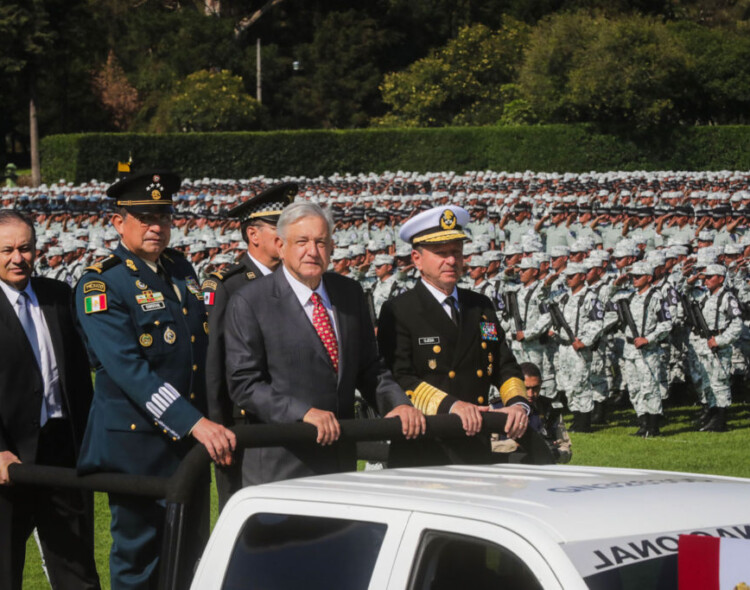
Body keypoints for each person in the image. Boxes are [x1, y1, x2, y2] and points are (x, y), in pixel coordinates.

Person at [74, 170, 236, 590]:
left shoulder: (179, 268)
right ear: (118, 222)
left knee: (189, 554)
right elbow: (129, 370)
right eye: (144, 217)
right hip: (138, 445)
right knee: (140, 560)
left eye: (162, 217)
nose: (155, 227)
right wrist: (193, 421)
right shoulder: (102, 281)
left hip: (189, 443)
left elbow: (196, 354)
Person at [225, 201, 425, 485]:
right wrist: (302, 414)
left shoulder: (349, 293)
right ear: (281, 246)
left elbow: (370, 368)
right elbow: (245, 385)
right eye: (302, 241)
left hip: (340, 463)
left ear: (332, 247)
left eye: (321, 242)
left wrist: (397, 403)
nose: (312, 251)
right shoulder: (250, 301)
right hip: (281, 465)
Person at [377, 205, 529, 466]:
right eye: (441, 253)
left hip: (475, 441)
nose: (451, 261)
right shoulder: (399, 309)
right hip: (424, 444)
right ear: (417, 259)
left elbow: (503, 364)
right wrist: (452, 406)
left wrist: (517, 405)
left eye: (456, 253)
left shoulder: (479, 306)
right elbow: (399, 377)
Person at [0, 209, 100, 590]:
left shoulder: (59, 296)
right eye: (7, 249)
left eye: (25, 248)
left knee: (75, 565)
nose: (17, 258)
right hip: (8, 458)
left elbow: (81, 375)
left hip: (63, 449)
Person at [202, 182, 297, 509]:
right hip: (247, 425)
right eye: (278, 227)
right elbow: (216, 365)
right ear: (253, 235)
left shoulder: (297, 280)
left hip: (295, 418)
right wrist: (220, 428)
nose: (287, 234)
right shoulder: (228, 286)